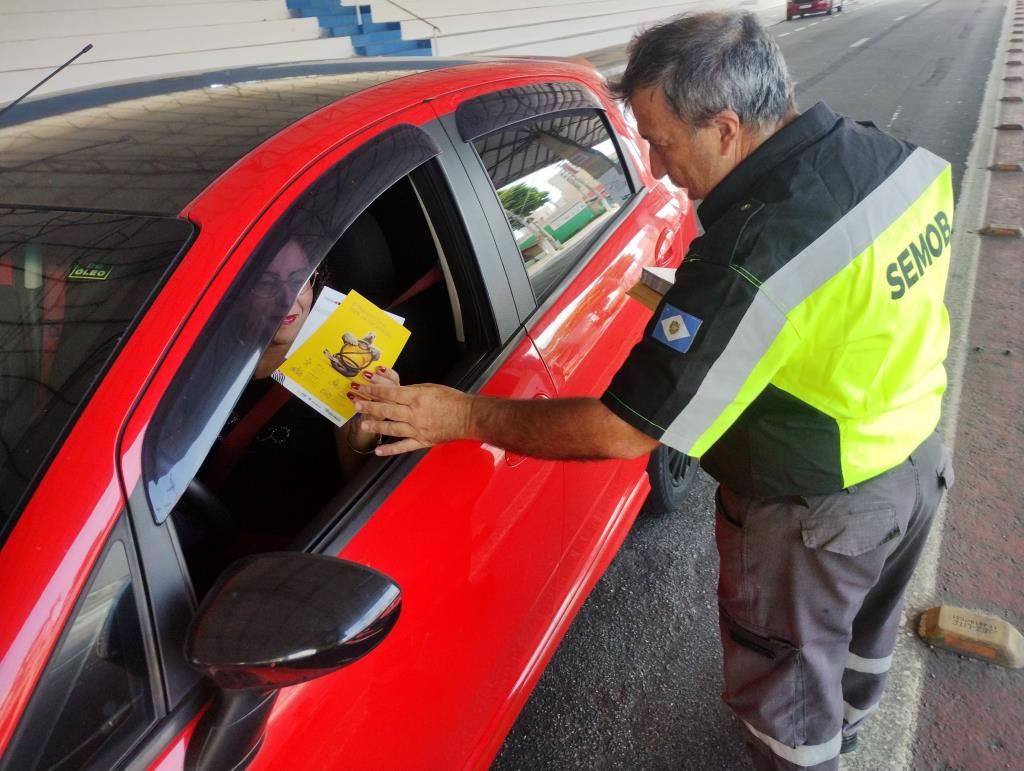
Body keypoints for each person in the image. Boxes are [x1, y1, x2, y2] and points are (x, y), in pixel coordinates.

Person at [352, 11, 955, 771]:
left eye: (665, 144)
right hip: (915, 461)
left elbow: (622, 431)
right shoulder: (893, 157)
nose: (661, 171)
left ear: (727, 128)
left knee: (787, 701)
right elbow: (848, 300)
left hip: (819, 514)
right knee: (864, 642)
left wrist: (463, 411)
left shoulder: (748, 251)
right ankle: (852, 728)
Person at [199, 237, 399, 537]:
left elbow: (359, 495)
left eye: (300, 279)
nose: (288, 300)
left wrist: (367, 429)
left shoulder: (337, 366)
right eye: (267, 283)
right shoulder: (217, 352)